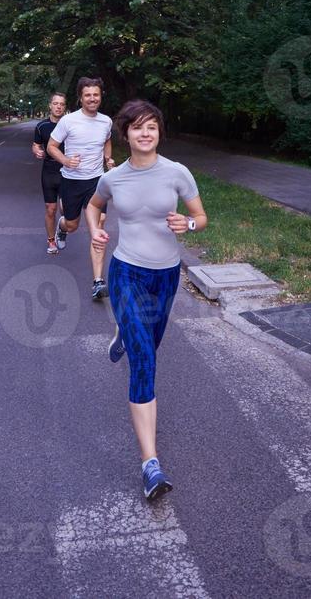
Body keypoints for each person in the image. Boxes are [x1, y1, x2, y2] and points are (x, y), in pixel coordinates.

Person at [83, 98, 207, 501]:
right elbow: (93, 206)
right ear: (126, 134)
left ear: (159, 132)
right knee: (144, 362)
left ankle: (124, 335)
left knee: (148, 344)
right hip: (126, 272)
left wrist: (187, 223)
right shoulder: (113, 178)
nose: (145, 132)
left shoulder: (177, 173)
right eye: (137, 127)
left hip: (166, 276)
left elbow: (200, 217)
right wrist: (95, 230)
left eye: (151, 126)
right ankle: (150, 463)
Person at [47, 77, 114, 301]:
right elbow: (51, 146)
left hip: (97, 181)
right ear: (81, 97)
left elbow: (107, 140)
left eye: (96, 94)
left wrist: (108, 158)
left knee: (99, 225)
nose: (92, 98)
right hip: (72, 181)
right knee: (73, 224)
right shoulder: (69, 121)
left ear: (100, 96)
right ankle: (62, 226)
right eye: (88, 95)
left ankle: (98, 281)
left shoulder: (106, 121)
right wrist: (65, 161)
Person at [31, 93, 69, 254]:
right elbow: (36, 144)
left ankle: (62, 228)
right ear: (50, 105)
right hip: (49, 170)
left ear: (64, 107)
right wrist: (37, 151)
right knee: (50, 208)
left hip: (67, 171)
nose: (58, 106)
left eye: (61, 104)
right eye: (55, 103)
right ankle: (51, 241)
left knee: (66, 210)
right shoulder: (41, 126)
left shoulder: (70, 125)